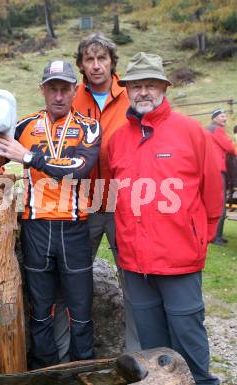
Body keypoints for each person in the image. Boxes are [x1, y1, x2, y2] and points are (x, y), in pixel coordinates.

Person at [108, 52, 222, 385]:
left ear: (164, 88)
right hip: (134, 260)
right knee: (153, 343)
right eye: (137, 86)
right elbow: (113, 194)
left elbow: (213, 189)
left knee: (187, 332)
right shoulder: (117, 140)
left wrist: (202, 236)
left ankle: (202, 382)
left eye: (151, 85)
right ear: (127, 90)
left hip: (180, 257)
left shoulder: (190, 131)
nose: (143, 92)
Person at [0, 60, 101, 368]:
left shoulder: (89, 126)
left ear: (75, 90)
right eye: (52, 88)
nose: (58, 96)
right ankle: (45, 370)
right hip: (35, 226)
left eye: (64, 89)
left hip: (74, 227)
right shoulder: (24, 126)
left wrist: (28, 157)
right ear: (42, 90)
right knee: (40, 308)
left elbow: (81, 168)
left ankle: (83, 369)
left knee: (80, 310)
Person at [72, 31, 140, 352]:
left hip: (122, 200)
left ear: (113, 62)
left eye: (102, 58)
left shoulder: (130, 97)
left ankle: (136, 353)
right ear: (81, 65)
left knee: (133, 279)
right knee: (73, 276)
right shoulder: (72, 98)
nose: (96, 65)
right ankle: (77, 352)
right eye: (90, 59)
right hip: (84, 201)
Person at [205, 108, 236, 245]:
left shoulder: (207, 129)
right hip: (218, 170)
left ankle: (215, 235)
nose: (224, 118)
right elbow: (229, 147)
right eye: (222, 116)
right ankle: (215, 236)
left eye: (225, 116)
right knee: (220, 203)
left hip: (210, 169)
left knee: (213, 202)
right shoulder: (216, 130)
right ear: (215, 118)